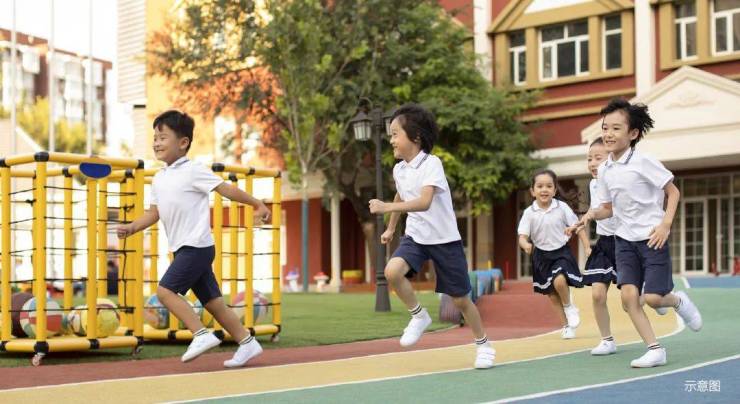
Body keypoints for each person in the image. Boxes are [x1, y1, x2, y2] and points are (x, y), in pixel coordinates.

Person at [117, 110, 271, 368]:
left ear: (183, 142)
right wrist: (133, 227)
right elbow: (154, 213)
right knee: (214, 303)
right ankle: (247, 342)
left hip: (197, 246)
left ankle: (200, 334)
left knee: (165, 292)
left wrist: (257, 204)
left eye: (163, 138)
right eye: (155, 138)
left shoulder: (193, 170)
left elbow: (226, 190)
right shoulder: (159, 178)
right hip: (183, 249)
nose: (156, 143)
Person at [568, 98, 702, 368]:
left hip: (652, 238)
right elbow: (608, 208)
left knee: (653, 298)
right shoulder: (605, 169)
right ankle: (655, 349)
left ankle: (677, 300)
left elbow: (673, 192)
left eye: (616, 128)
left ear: (633, 133)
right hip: (624, 241)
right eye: (605, 128)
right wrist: (589, 216)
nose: (608, 133)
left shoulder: (644, 161)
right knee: (629, 297)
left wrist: (665, 225)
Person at [368, 103, 495, 369]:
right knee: (392, 272)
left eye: (395, 134)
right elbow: (401, 195)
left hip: (444, 240)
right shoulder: (400, 169)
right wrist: (391, 227)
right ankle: (419, 316)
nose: (391, 140)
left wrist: (385, 208)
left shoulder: (432, 164)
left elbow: (424, 201)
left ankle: (483, 344)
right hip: (416, 236)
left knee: (461, 300)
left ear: (415, 137)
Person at [518, 169, 588, 339]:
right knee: (551, 294)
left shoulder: (561, 207)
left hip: (561, 252)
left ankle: (569, 306)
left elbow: (578, 227)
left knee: (559, 281)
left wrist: (587, 247)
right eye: (540, 186)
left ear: (555, 190)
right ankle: (566, 326)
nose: (544, 190)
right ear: (532, 191)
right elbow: (522, 237)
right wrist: (526, 245)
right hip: (541, 256)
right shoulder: (529, 213)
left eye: (549, 186)